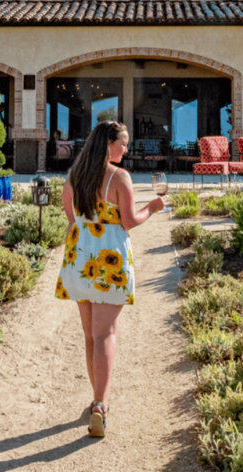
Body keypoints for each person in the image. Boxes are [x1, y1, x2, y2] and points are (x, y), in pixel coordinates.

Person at [57, 121, 164, 438]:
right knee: (105, 335)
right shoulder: (119, 178)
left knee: (90, 336)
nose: (127, 149)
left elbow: (72, 216)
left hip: (79, 259)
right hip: (109, 262)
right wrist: (153, 208)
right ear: (108, 144)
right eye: (124, 143)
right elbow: (130, 221)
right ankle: (100, 407)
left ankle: (95, 402)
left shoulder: (75, 175)